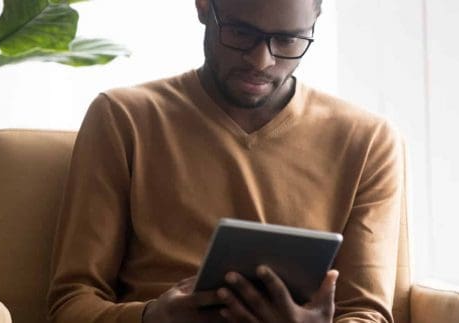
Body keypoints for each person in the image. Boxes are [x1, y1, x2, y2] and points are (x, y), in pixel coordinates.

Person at [47, 0, 405, 322]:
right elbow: (72, 303)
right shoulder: (124, 118)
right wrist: (151, 317)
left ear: (315, 21)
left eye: (288, 40)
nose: (261, 60)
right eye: (240, 32)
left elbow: (366, 313)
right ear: (204, 7)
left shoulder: (367, 140)